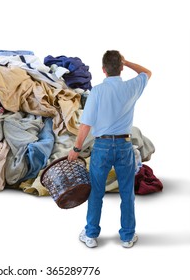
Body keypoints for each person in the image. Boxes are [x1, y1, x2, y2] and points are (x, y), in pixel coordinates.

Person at [68, 50, 152, 248]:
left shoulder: (96, 92)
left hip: (102, 147)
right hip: (124, 146)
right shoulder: (132, 87)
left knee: (96, 192)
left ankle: (90, 235)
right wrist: (127, 61)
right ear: (121, 68)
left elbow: (86, 124)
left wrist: (76, 149)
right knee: (126, 193)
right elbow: (147, 72)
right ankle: (127, 237)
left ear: (103, 70)